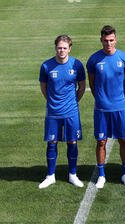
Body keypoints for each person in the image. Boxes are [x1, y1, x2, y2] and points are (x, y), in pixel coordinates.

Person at [86, 25, 125, 189]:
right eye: (105, 41)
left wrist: (120, 98)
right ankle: (101, 175)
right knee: (101, 142)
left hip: (120, 108)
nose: (108, 43)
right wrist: (100, 99)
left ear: (116, 40)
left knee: (123, 140)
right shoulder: (93, 60)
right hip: (101, 109)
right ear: (101, 40)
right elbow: (92, 83)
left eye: (111, 40)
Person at [38, 35, 86, 189]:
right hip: (53, 112)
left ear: (69, 48)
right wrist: (52, 101)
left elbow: (82, 86)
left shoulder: (77, 65)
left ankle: (73, 174)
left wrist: (73, 102)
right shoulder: (46, 66)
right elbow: (43, 88)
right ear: (55, 48)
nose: (62, 50)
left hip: (71, 112)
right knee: (52, 142)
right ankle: (50, 175)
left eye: (65, 48)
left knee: (72, 142)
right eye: (59, 47)